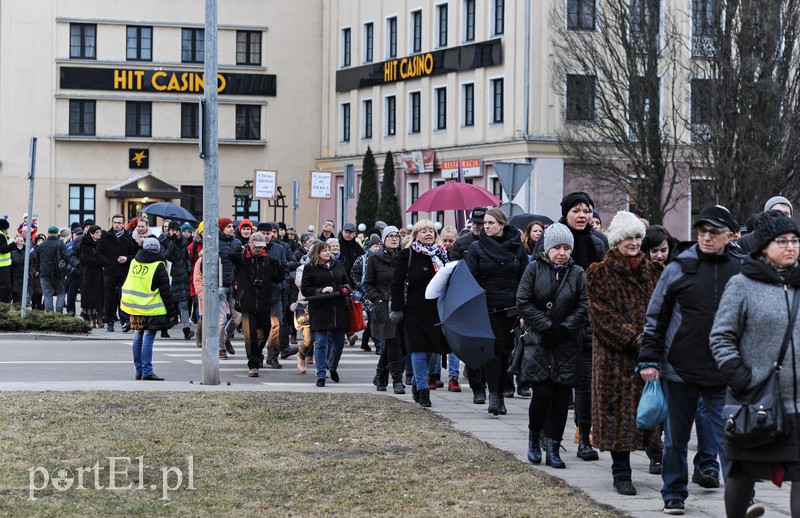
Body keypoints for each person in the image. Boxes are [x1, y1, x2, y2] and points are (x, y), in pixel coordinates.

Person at [638, 205, 744, 515]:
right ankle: (673, 493)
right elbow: (656, 317)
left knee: (731, 440)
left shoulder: (741, 270)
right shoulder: (678, 267)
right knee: (675, 439)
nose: (707, 238)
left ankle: (740, 498)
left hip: (724, 370)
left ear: (729, 236)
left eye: (714, 233)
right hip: (679, 369)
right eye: (702, 232)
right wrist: (649, 359)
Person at [710, 210, 800, 518]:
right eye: (782, 241)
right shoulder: (742, 285)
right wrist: (742, 379)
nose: (791, 246)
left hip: (797, 406)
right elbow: (721, 337)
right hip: (754, 402)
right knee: (742, 473)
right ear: (763, 246)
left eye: (795, 240)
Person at [585, 211, 665, 495]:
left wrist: (653, 342)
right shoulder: (598, 273)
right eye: (627, 238)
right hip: (614, 357)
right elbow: (601, 317)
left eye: (637, 237)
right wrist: (636, 338)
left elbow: (665, 310)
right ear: (615, 241)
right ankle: (621, 472)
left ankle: (657, 458)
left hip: (650, 353)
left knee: (649, 413)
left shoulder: (655, 271)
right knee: (616, 416)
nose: (633, 243)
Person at [536, 192, 607, 462]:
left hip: (588, 321)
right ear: (566, 213)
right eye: (576, 210)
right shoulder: (551, 238)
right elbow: (536, 278)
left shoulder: (599, 243)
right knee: (552, 382)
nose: (582, 215)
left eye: (587, 210)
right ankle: (545, 433)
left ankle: (584, 437)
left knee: (585, 383)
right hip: (555, 324)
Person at [517, 223, 589, 469]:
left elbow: (584, 305)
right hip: (539, 341)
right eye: (557, 247)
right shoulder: (534, 268)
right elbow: (523, 301)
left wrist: (564, 328)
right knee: (542, 394)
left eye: (566, 248)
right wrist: (547, 327)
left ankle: (554, 448)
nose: (562, 252)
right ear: (548, 248)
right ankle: (535, 438)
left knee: (560, 398)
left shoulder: (578, 272)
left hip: (567, 343)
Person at [465, 208, 528, 416]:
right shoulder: (476, 247)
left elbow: (524, 278)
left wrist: (523, 308)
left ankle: (500, 394)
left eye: (492, 223)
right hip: (487, 307)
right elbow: (470, 278)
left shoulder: (517, 247)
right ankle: (494, 395)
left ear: (502, 224)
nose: (487, 226)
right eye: (485, 223)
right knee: (493, 352)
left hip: (511, 308)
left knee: (504, 353)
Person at [390, 220, 449, 407]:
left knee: (432, 351)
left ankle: (417, 382)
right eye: (423, 231)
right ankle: (424, 390)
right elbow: (397, 284)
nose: (428, 233)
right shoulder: (407, 255)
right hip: (412, 311)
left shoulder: (442, 256)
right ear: (415, 235)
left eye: (431, 230)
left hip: (436, 311)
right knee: (417, 349)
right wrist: (397, 309)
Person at [120, 237, 174, 381]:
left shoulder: (134, 262)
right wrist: (171, 313)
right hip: (151, 308)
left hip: (135, 306)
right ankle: (147, 371)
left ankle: (139, 370)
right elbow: (166, 292)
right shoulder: (159, 265)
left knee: (137, 336)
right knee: (148, 338)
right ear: (157, 250)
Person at [230, 232, 283, 377]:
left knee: (265, 331)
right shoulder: (242, 258)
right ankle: (253, 364)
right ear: (250, 244)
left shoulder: (267, 260)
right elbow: (230, 256)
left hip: (264, 302)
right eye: (256, 246)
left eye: (261, 247)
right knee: (251, 335)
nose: (258, 249)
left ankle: (257, 355)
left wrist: (279, 267)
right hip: (247, 302)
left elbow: (277, 279)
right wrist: (239, 248)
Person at [300, 241, 351, 387]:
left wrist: (345, 289)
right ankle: (321, 374)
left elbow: (347, 282)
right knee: (320, 342)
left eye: (329, 250)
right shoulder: (310, 268)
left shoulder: (338, 265)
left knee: (339, 343)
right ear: (317, 253)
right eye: (324, 250)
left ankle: (332, 366)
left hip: (337, 308)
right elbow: (306, 289)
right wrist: (321, 291)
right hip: (320, 309)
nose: (328, 252)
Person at [364, 226, 405, 393]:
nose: (394, 239)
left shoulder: (404, 257)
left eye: (397, 236)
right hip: (383, 306)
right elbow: (367, 283)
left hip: (400, 305)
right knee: (392, 341)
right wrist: (378, 299)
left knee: (393, 342)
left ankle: (381, 374)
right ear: (384, 240)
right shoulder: (374, 258)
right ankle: (396, 380)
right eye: (390, 236)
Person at [96, 214, 136, 332]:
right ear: (112, 223)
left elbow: (134, 255)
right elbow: (98, 253)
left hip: (123, 272)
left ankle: (125, 321)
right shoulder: (106, 237)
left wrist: (127, 259)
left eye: (119, 223)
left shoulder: (128, 238)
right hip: (109, 271)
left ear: (123, 224)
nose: (117, 225)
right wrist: (107, 262)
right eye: (115, 222)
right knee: (108, 297)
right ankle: (109, 321)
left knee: (123, 297)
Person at [162, 220, 194, 340]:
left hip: (182, 277)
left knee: (183, 305)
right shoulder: (164, 241)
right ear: (168, 231)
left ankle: (186, 329)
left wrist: (188, 270)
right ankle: (164, 329)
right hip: (169, 278)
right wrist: (172, 242)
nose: (175, 232)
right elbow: (166, 256)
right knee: (167, 305)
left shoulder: (183, 242)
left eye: (177, 230)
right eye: (172, 230)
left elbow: (186, 257)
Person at [351, 234, 381, 353]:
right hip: (368, 293)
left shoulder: (383, 258)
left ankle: (364, 341)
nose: (377, 248)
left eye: (379, 246)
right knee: (373, 319)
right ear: (369, 246)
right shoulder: (362, 259)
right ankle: (378, 344)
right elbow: (353, 274)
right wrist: (360, 286)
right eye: (375, 246)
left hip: (380, 292)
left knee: (375, 320)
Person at [217, 217, 242, 359]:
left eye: (233, 226)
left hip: (234, 285)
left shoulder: (237, 242)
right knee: (221, 319)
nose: (232, 229)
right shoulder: (215, 243)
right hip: (219, 285)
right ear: (222, 228)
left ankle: (226, 336)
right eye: (229, 227)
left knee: (238, 317)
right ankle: (221, 348)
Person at [37, 226, 68, 313]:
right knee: (61, 293)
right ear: (57, 234)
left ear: (48, 233)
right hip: (58, 274)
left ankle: (49, 313)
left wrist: (40, 270)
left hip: (45, 274)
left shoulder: (41, 246)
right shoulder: (61, 244)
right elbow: (66, 258)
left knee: (47, 294)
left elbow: (37, 261)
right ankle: (59, 312)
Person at [79, 225, 106, 328]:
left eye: (100, 232)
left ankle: (100, 318)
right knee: (89, 297)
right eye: (97, 232)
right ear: (91, 233)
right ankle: (92, 319)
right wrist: (100, 262)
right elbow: (86, 259)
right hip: (89, 274)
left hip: (100, 274)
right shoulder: (85, 244)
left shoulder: (103, 244)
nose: (99, 234)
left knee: (100, 296)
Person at [9, 235, 26, 304]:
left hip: (23, 276)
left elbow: (31, 263)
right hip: (14, 276)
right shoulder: (11, 251)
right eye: (18, 241)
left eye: (22, 241)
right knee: (15, 294)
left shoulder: (27, 251)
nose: (20, 242)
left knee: (22, 295)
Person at [0, 218, 13, 303]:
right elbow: (3, 249)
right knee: (5, 288)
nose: (7, 231)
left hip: (4, 266)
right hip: (2, 267)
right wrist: (14, 244)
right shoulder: (1, 235)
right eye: (7, 229)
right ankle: (3, 306)